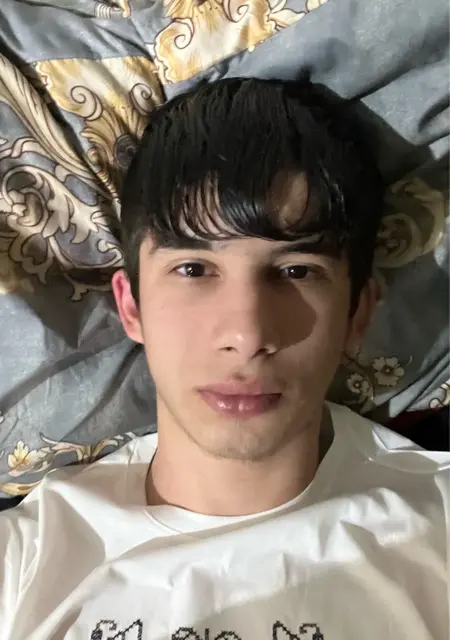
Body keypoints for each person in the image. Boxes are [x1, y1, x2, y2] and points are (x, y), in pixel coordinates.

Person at [0, 78, 448, 640]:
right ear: (131, 306)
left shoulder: (436, 528)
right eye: (193, 269)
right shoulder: (24, 562)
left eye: (297, 271)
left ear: (357, 313)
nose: (246, 334)